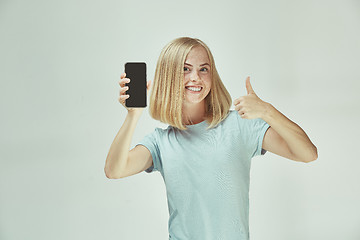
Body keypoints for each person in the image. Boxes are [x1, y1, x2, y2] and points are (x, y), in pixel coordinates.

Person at [104, 37, 318, 240]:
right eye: (185, 69)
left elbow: (307, 154)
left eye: (203, 69)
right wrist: (133, 116)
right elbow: (115, 170)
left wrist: (267, 111)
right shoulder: (161, 142)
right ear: (169, 76)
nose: (195, 77)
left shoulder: (240, 126)